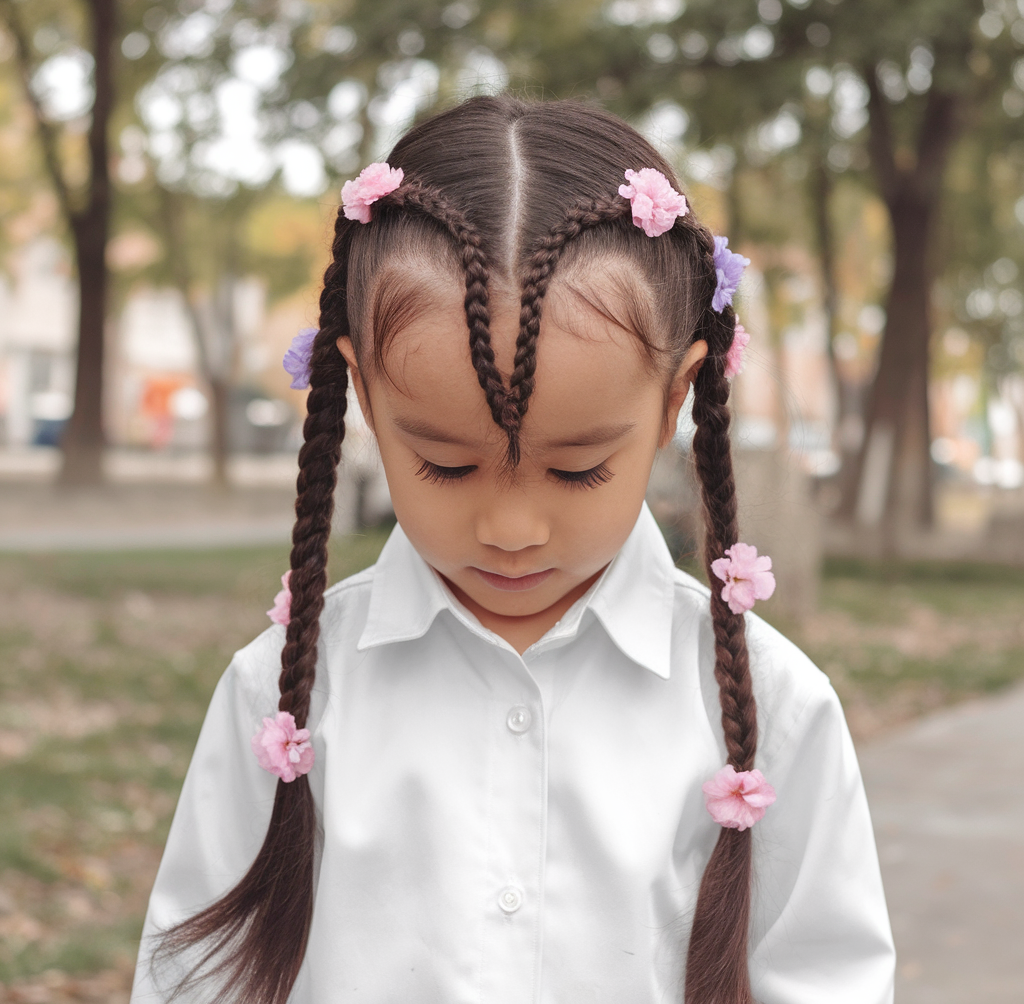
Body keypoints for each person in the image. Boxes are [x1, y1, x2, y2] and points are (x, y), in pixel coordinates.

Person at [131, 96, 894, 1004]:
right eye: (448, 465)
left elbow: (826, 979)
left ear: (674, 401)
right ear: (368, 402)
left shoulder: (775, 714)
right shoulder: (285, 698)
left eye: (576, 471)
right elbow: (192, 980)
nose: (511, 528)